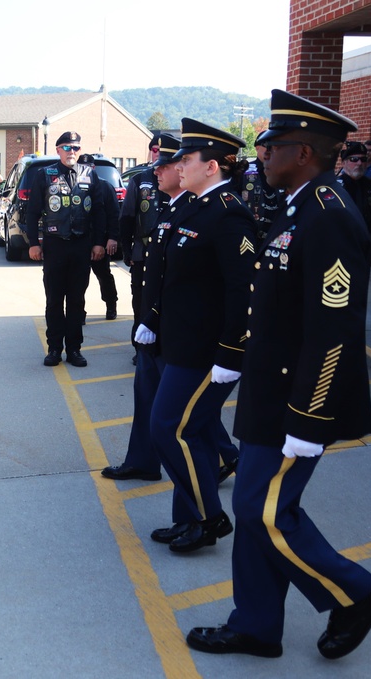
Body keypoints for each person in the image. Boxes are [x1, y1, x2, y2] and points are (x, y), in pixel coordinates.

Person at [188, 90, 371, 660]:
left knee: (264, 511)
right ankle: (255, 624)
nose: (260, 155)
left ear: (303, 152)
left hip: (298, 402)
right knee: (255, 512)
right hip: (267, 392)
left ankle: (357, 593)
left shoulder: (329, 216)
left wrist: (309, 417)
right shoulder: (295, 205)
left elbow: (334, 331)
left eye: (271, 146)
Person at [135, 119, 255, 554]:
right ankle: (187, 519)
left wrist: (231, 352)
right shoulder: (191, 206)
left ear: (213, 166)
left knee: (169, 427)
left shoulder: (228, 214)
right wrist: (152, 319)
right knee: (197, 433)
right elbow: (171, 276)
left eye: (187, 159)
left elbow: (243, 290)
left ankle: (208, 517)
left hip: (207, 352)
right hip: (180, 344)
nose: (178, 165)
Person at [102, 133, 178, 483]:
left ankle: (224, 454)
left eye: (169, 161)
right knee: (148, 388)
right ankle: (143, 460)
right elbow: (130, 218)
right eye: (156, 158)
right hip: (155, 306)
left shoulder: (212, 209)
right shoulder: (146, 185)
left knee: (176, 403)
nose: (158, 167)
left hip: (181, 327)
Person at [25, 131, 108, 367]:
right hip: (54, 246)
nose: (72, 152)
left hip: (81, 245)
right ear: (58, 149)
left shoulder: (90, 175)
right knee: (53, 300)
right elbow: (32, 213)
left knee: (76, 300)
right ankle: (54, 348)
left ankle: (74, 349)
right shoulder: (45, 175)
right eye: (68, 148)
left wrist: (99, 242)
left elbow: (99, 212)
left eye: (76, 148)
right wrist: (33, 243)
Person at [119, 134, 167, 353]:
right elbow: (127, 217)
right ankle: (140, 348)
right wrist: (127, 250)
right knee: (140, 302)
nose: (158, 153)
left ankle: (161, 345)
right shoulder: (139, 180)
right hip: (142, 252)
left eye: (162, 150)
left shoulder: (179, 179)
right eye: (154, 149)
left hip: (168, 253)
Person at [336, 141, 371, 269]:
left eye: (363, 159)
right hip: (337, 248)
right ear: (344, 162)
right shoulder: (333, 187)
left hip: (364, 247)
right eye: (354, 159)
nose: (359, 163)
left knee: (359, 287)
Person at [84, 153, 121, 321]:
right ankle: (79, 312)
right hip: (80, 241)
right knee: (79, 280)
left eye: (88, 167)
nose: (85, 171)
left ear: (93, 168)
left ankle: (111, 305)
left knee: (104, 276)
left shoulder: (105, 187)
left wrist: (112, 238)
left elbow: (114, 215)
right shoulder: (74, 187)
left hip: (100, 239)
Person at [241, 139, 284, 243]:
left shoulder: (283, 171)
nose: (269, 150)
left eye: (273, 147)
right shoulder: (244, 171)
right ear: (257, 148)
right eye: (266, 146)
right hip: (251, 232)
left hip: (277, 233)